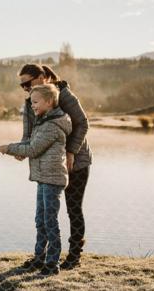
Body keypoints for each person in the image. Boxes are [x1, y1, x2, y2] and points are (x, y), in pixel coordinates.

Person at [17, 64, 92, 270]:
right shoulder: (31, 103)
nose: (25, 88)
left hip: (76, 163)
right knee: (45, 215)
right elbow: (28, 136)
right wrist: (19, 151)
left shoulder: (64, 95)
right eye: (22, 86)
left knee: (73, 209)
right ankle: (41, 257)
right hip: (48, 166)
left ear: (42, 76)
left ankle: (74, 255)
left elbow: (83, 123)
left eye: (27, 83)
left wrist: (70, 152)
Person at [0, 84, 72, 275]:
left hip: (52, 180)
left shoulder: (53, 125)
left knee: (50, 221)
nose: (33, 106)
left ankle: (52, 263)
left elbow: (33, 149)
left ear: (49, 101)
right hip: (42, 178)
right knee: (40, 220)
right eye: (31, 103)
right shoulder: (43, 121)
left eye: (36, 102)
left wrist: (9, 149)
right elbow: (31, 145)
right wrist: (15, 148)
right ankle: (39, 258)